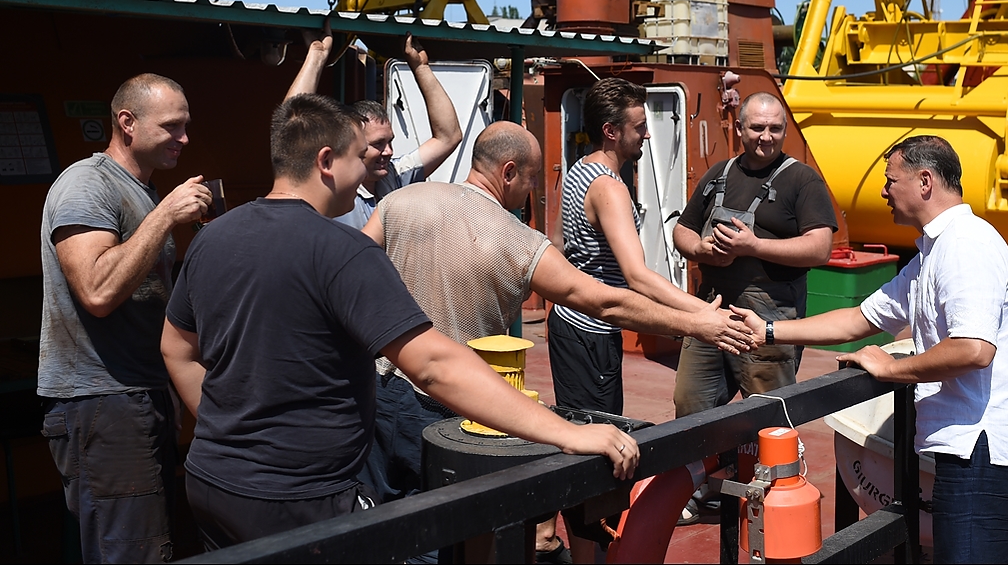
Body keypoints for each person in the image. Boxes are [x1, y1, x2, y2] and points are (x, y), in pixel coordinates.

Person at [160, 95, 638, 551]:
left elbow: (176, 349)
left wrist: (228, 429)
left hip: (212, 482)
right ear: (326, 162)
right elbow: (433, 365)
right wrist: (567, 432)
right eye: (358, 157)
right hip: (301, 499)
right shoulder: (342, 250)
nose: (370, 169)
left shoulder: (212, 238)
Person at [358, 121, 754, 501]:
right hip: (450, 405)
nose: (532, 188)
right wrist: (695, 323)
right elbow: (605, 301)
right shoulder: (516, 240)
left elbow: (351, 274)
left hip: (376, 391)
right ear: (508, 172)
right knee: (441, 527)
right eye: (531, 178)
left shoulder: (399, 201)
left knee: (372, 520)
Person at [735, 135, 1008, 564]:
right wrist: (768, 330)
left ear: (924, 182)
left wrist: (891, 368)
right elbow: (859, 318)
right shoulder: (934, 253)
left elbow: (974, 349)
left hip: (983, 453)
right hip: (972, 452)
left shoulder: (965, 246)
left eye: (890, 180)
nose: (883, 191)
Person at [39, 73, 212, 564]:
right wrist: (166, 216)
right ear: (127, 122)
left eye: (186, 126)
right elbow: (96, 291)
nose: (184, 138)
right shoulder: (86, 183)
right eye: (172, 126)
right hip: (102, 400)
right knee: (132, 553)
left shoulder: (142, 191)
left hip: (139, 393)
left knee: (150, 543)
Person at [670, 91, 837, 523]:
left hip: (767, 318)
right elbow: (682, 231)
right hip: (710, 311)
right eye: (758, 127)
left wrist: (753, 246)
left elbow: (820, 247)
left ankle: (777, 503)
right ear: (740, 128)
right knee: (691, 403)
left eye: (775, 128)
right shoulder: (719, 174)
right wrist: (702, 249)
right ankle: (701, 488)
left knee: (769, 414)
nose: (766, 136)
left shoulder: (802, 180)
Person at [549, 78, 733, 417]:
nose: (647, 135)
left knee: (578, 427)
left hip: (568, 323)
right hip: (592, 332)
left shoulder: (579, 169)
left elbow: (559, 242)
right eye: (639, 127)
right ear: (611, 131)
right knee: (598, 434)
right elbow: (637, 276)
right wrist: (703, 313)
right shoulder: (609, 188)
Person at [285, 24, 463, 228]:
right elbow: (292, 127)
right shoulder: (331, 183)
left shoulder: (394, 176)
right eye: (378, 144)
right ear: (352, 144)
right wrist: (316, 56)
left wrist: (421, 67)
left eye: (390, 142)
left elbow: (449, 137)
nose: (389, 152)